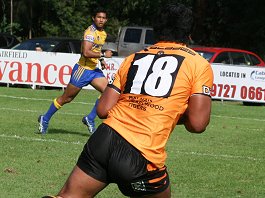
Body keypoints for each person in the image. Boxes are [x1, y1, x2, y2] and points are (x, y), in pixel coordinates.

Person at [44, 3, 214, 198]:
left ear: (156, 31)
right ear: (189, 33)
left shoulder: (133, 58)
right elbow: (198, 124)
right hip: (141, 153)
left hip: (103, 140)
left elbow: (103, 110)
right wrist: (169, 110)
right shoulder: (199, 64)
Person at [38, 6, 109, 134]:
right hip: (82, 70)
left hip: (93, 70)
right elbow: (86, 52)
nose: (101, 20)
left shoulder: (103, 33)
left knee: (108, 92)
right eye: (99, 17)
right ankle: (45, 118)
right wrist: (103, 55)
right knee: (66, 98)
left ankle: (90, 118)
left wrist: (101, 61)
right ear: (94, 18)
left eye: (103, 18)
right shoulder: (90, 33)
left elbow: (95, 50)